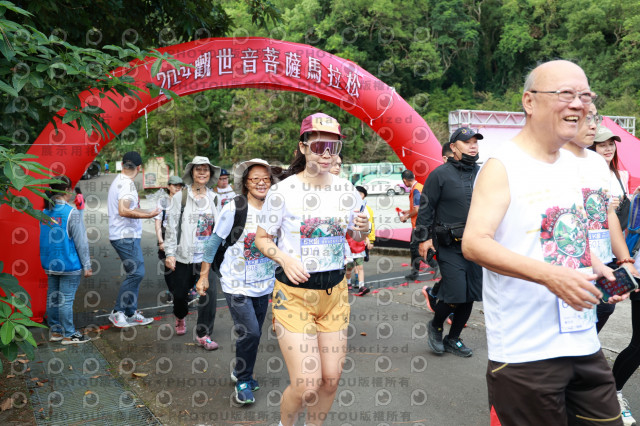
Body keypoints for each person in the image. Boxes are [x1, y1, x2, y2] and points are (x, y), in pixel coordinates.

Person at [462, 60, 623, 425]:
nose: (578, 104)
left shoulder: (574, 165)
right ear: (529, 102)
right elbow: (474, 243)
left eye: (585, 95)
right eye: (565, 93)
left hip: (585, 344)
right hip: (526, 354)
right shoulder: (503, 165)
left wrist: (600, 268)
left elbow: (568, 238)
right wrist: (550, 276)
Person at [255, 113, 370, 426]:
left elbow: (358, 236)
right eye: (319, 145)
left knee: (330, 379)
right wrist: (284, 258)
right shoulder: (283, 192)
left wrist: (363, 229)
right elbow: (262, 239)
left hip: (334, 295)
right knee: (307, 383)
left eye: (334, 146)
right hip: (293, 297)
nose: (326, 153)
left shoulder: (346, 190)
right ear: (303, 147)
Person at [196, 159, 276, 405]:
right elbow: (213, 241)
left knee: (254, 334)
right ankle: (243, 380)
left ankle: (242, 371)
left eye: (266, 179)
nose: (261, 183)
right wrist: (203, 275)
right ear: (246, 183)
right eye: (255, 179)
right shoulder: (235, 208)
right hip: (236, 282)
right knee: (250, 331)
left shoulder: (276, 207)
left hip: (264, 282)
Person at [564, 105, 639, 335]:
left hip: (605, 257)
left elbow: (608, 214)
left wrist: (624, 260)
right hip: (573, 263)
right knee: (574, 323)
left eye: (594, 118)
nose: (593, 124)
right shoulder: (557, 164)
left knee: (604, 309)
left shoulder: (599, 166)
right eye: (586, 118)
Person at [413, 127, 483, 357]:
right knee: (456, 293)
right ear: (453, 147)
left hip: (476, 245)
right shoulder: (440, 175)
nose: (473, 145)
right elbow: (426, 208)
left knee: (470, 294)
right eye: (467, 142)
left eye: (475, 142)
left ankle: (453, 338)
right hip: (449, 245)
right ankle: (436, 325)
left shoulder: (482, 174)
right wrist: (424, 239)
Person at [590, 124, 640, 425]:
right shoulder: (579, 175)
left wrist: (624, 259)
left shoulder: (619, 176)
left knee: (604, 309)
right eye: (601, 144)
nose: (608, 148)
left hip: (615, 257)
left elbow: (620, 223)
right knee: (597, 309)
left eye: (611, 144)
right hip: (590, 258)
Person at [164, 156, 221, 351]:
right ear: (192, 173)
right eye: (198, 169)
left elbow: (219, 228)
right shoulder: (180, 197)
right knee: (180, 296)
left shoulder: (215, 198)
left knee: (208, 296)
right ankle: (180, 316)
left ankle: (203, 335)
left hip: (207, 258)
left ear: (210, 174)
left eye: (206, 169)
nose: (202, 173)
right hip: (184, 257)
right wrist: (170, 253)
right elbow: (171, 228)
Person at [107, 151, 159, 328]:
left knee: (134, 274)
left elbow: (130, 209)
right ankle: (118, 312)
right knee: (137, 273)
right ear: (139, 168)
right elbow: (123, 210)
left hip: (126, 235)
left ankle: (130, 312)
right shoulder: (127, 185)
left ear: (122, 165)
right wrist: (148, 215)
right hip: (125, 236)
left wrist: (150, 211)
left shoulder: (119, 181)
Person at [40, 176, 92, 344]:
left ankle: (56, 332)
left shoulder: (44, 212)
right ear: (67, 190)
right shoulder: (71, 212)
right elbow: (81, 242)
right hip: (69, 264)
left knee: (53, 298)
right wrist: (87, 265)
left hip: (50, 263)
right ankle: (69, 334)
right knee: (66, 300)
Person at [155, 175, 184, 304]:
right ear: (168, 186)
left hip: (182, 236)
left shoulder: (184, 201)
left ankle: (183, 291)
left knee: (182, 266)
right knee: (169, 266)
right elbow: (157, 223)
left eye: (180, 186)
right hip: (166, 235)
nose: (178, 188)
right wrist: (161, 241)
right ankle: (172, 292)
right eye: (175, 185)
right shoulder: (163, 202)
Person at [345, 185, 374, 295]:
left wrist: (369, 239)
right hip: (349, 245)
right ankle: (348, 283)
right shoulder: (346, 209)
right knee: (349, 268)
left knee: (360, 266)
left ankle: (361, 286)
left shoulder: (366, 209)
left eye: (360, 194)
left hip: (359, 244)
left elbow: (369, 226)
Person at [400, 169, 424, 281]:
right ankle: (415, 272)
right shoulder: (420, 186)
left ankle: (434, 265)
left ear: (405, 180)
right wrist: (407, 211)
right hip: (423, 222)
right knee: (417, 247)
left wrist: (406, 217)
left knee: (414, 248)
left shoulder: (416, 190)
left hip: (418, 224)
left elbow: (417, 209)